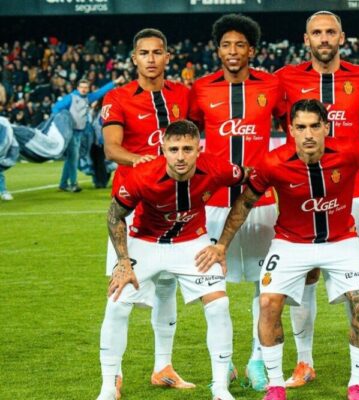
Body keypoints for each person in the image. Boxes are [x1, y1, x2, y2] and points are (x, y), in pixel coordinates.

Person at [196, 99, 359, 400]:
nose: (308, 134)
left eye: (315, 126)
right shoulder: (273, 162)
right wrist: (222, 245)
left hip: (341, 241)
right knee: (268, 303)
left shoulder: (350, 150)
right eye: (301, 127)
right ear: (290, 129)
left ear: (325, 128)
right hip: (291, 242)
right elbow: (245, 203)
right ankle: (276, 386)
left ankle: (357, 385)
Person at [97, 120, 246, 400]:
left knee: (219, 304)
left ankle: (220, 388)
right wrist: (123, 261)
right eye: (174, 148)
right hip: (146, 242)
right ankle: (108, 387)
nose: (180, 156)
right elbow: (114, 215)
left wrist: (223, 243)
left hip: (193, 243)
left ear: (198, 149)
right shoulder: (141, 176)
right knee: (116, 304)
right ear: (162, 148)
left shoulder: (217, 167)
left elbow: (252, 183)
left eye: (188, 149)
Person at [274, 10, 359, 388]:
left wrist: (345, 144)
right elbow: (271, 114)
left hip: (351, 195)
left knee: (357, 286)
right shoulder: (285, 78)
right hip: (298, 194)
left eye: (330, 32)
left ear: (342, 37)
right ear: (306, 39)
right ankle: (304, 362)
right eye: (316, 33)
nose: (323, 38)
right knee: (304, 279)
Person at [188, 13, 285, 392]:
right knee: (216, 291)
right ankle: (224, 365)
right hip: (213, 205)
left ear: (252, 50)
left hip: (261, 204)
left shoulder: (271, 86)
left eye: (240, 45)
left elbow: (291, 126)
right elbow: (187, 132)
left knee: (267, 288)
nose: (233, 51)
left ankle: (257, 361)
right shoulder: (200, 90)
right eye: (226, 45)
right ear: (217, 50)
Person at [101, 28, 194, 392]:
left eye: (158, 52)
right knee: (120, 296)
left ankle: (163, 367)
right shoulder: (118, 97)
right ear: (135, 58)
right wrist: (144, 161)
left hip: (174, 209)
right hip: (131, 209)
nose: (151, 59)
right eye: (144, 53)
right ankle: (111, 380)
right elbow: (112, 147)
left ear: (167, 57)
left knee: (167, 290)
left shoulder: (183, 95)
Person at [54, 75, 122, 192]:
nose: (84, 89)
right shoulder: (71, 98)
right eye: (82, 87)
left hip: (80, 133)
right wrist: (62, 124)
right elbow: (56, 109)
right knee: (74, 158)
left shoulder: (87, 99)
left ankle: (63, 184)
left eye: (86, 87)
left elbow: (100, 92)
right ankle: (73, 184)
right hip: (71, 133)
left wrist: (114, 82)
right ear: (78, 88)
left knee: (71, 158)